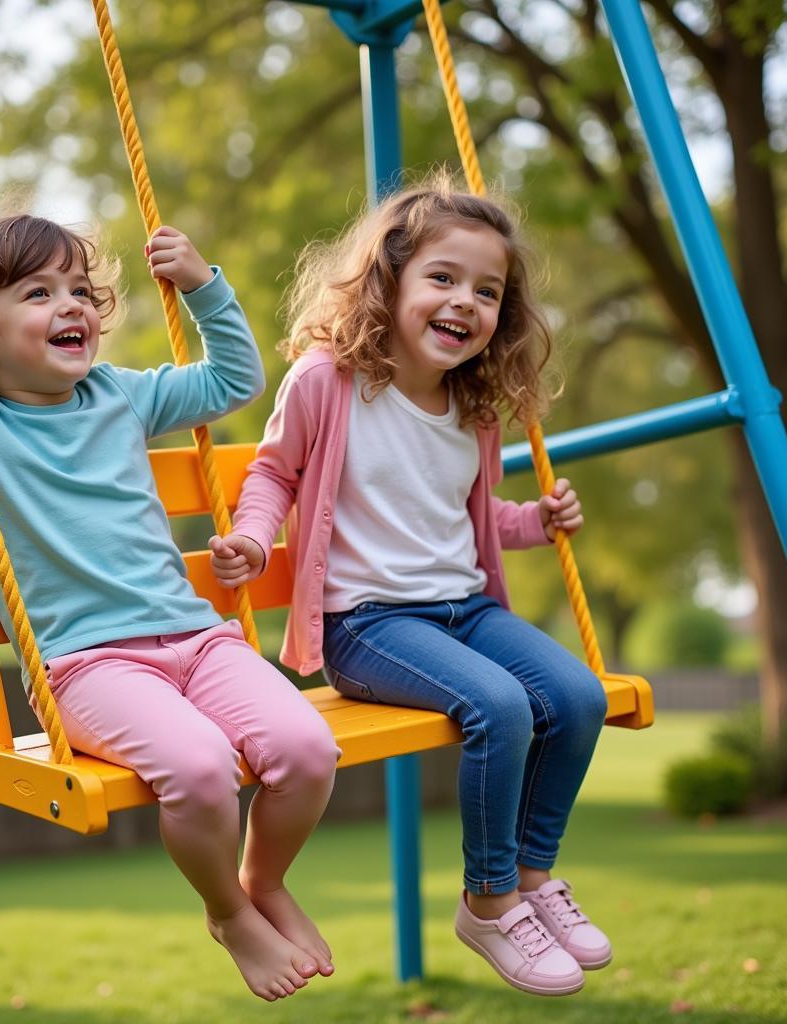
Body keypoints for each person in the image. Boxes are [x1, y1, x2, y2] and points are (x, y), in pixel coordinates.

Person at [0, 178, 340, 1002]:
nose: (73, 305)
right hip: (89, 667)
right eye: (38, 292)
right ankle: (227, 912)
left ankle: (264, 881)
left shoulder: (122, 395)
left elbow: (233, 380)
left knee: (310, 750)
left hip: (200, 641)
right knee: (203, 769)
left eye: (79, 290)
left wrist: (204, 286)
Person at [209, 175, 611, 997]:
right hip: (369, 625)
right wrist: (254, 539)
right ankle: (489, 902)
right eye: (444, 278)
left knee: (578, 695)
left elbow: (466, 517)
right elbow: (272, 474)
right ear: (387, 280)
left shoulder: (474, 406)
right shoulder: (329, 381)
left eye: (488, 291)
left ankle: (533, 881)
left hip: (463, 609)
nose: (466, 301)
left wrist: (535, 521)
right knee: (498, 709)